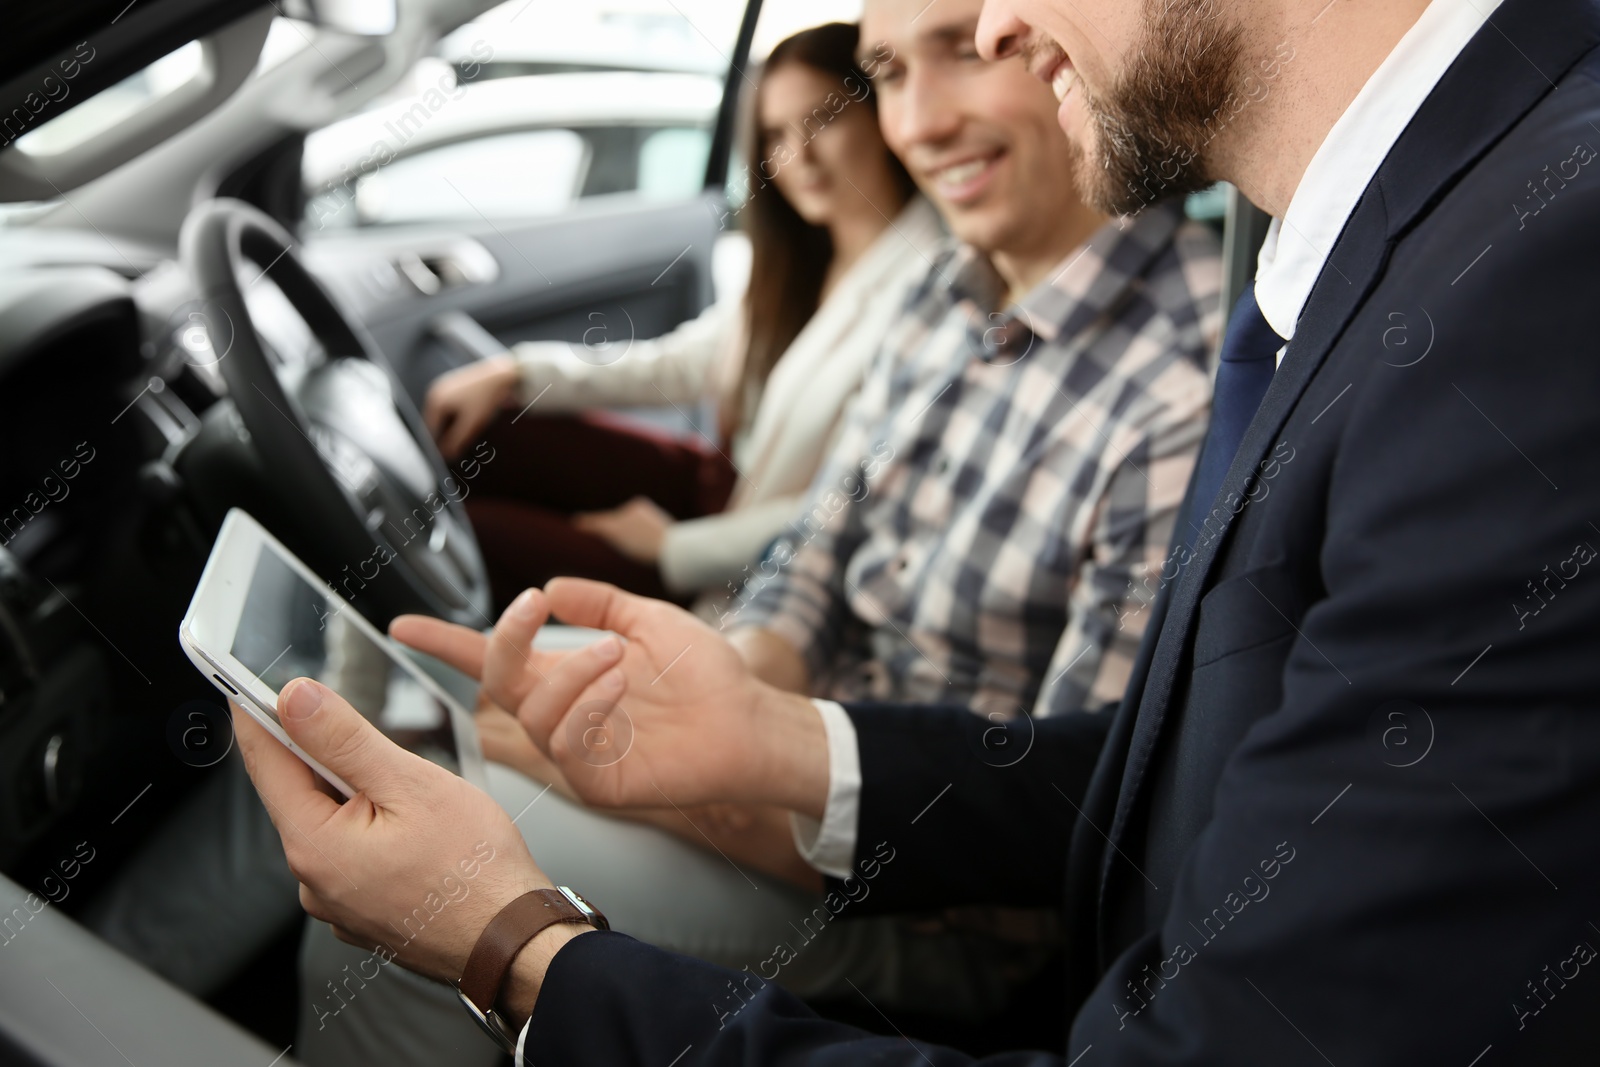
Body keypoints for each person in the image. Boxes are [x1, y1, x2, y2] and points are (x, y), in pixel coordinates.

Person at [240, 0, 1600, 1061]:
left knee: (372, 873)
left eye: (968, 37)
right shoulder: (1342, 266)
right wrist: (777, 738)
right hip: (894, 835)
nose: (990, 42)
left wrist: (519, 945)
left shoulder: (1527, 280)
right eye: (893, 65)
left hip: (968, 940)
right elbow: (1185, 775)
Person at [288, 0, 1219, 1057]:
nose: (918, 121)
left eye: (962, 50)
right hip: (780, 755)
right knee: (372, 735)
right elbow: (821, 543)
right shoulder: (941, 292)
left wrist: (711, 776)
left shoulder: (1176, 391)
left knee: (405, 891)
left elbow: (1060, 826)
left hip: (904, 898)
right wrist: (719, 685)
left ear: (1054, 42)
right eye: (890, 73)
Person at [420, 23, 941, 614]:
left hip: (742, 556)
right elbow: (682, 363)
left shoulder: (927, 284)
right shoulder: (802, 262)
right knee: (481, 437)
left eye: (823, 120)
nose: (799, 156)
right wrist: (513, 374)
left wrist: (674, 545)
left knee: (468, 538)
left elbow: (850, 502)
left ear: (882, 115)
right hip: (720, 487)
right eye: (776, 134)